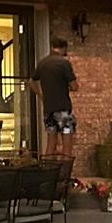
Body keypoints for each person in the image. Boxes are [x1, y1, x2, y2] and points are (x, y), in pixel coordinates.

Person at [30, 36, 79, 173]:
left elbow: (31, 82)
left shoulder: (42, 63)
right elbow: (74, 86)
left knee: (51, 143)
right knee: (67, 145)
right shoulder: (64, 64)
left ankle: (47, 175)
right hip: (64, 110)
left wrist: (42, 96)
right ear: (63, 48)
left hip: (49, 110)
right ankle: (64, 176)